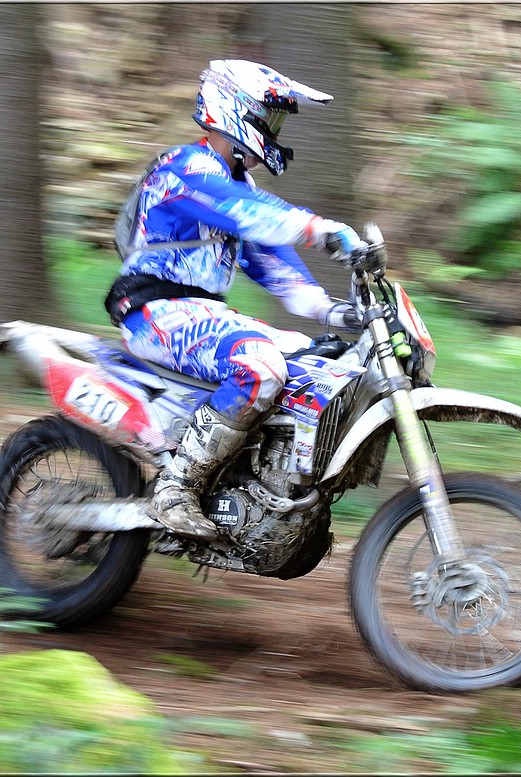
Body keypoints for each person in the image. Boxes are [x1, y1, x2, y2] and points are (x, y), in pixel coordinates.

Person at [104, 59, 367, 542]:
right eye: (269, 117)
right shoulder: (185, 168)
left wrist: (331, 310)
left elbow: (271, 262)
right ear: (234, 110)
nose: (274, 130)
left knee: (317, 359)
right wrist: (321, 229)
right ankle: (177, 488)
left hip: (202, 313)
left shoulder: (238, 184)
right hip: (155, 312)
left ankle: (260, 491)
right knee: (260, 366)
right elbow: (248, 215)